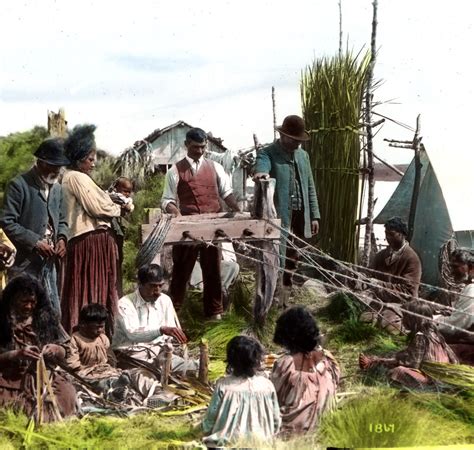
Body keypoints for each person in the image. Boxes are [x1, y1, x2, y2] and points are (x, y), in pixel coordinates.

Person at [161, 127, 241, 320]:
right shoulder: (175, 170)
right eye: (196, 147)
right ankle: (174, 315)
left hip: (212, 229)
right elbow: (166, 200)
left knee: (213, 270)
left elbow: (227, 193)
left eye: (203, 147)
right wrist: (178, 214)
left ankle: (214, 315)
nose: (199, 151)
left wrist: (237, 211)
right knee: (181, 272)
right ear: (186, 145)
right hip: (188, 231)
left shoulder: (216, 168)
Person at [61, 124, 131, 335]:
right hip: (89, 239)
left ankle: (100, 334)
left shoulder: (77, 178)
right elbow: (97, 206)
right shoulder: (76, 177)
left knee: (97, 286)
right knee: (91, 286)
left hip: (93, 240)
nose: (93, 163)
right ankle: (86, 334)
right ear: (79, 158)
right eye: (90, 159)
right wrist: (121, 207)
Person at [0, 138, 70, 314]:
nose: (56, 170)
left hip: (49, 262)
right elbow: (7, 221)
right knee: (23, 310)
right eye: (52, 165)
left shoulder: (57, 189)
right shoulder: (19, 185)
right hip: (25, 262)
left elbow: (62, 220)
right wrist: (35, 243)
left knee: (51, 310)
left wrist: (62, 238)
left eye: (59, 167)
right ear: (40, 162)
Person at [253, 115, 320, 296]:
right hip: (280, 213)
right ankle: (273, 291)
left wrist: (314, 214)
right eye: (294, 140)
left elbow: (310, 185)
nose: (297, 144)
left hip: (300, 213)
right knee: (276, 250)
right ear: (283, 135)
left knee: (294, 252)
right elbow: (262, 165)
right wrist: (261, 173)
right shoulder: (268, 153)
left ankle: (287, 290)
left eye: (299, 140)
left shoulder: (303, 155)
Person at [0, 274, 76, 421]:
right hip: (9, 378)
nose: (29, 306)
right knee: (13, 406)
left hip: (43, 376)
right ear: (12, 300)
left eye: (32, 302)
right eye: (24, 301)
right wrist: (16, 354)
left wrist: (56, 349)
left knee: (67, 396)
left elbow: (65, 350)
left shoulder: (46, 319)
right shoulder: (1, 320)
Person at [66, 304, 159, 401]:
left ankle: (156, 392)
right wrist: (91, 373)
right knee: (101, 384)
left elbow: (111, 360)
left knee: (136, 374)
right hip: (88, 375)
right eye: (97, 327)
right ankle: (115, 391)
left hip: (107, 371)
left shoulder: (103, 338)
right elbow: (74, 367)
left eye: (102, 327)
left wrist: (112, 370)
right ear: (83, 324)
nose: (100, 330)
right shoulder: (75, 339)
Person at [270, 306, 340, 436]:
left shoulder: (285, 363)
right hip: (323, 427)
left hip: (291, 432)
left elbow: (272, 398)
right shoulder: (328, 360)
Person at [113, 264, 195, 373]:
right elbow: (132, 334)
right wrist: (161, 330)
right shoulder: (125, 304)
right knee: (153, 374)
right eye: (152, 286)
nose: (157, 291)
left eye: (160, 286)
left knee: (195, 367)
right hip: (131, 355)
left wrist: (172, 340)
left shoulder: (165, 301)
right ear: (140, 284)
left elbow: (170, 333)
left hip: (159, 353)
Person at [202, 335, 281, 448]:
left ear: (231, 360)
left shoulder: (224, 386)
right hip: (260, 445)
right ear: (257, 360)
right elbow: (276, 420)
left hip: (227, 445)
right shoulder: (267, 385)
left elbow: (210, 420)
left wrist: (202, 431)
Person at [359, 300, 458, 389]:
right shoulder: (435, 333)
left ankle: (372, 364)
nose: (403, 320)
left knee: (398, 371)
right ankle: (373, 362)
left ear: (413, 319)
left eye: (405, 317)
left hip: (433, 379)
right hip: (444, 375)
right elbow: (453, 358)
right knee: (398, 356)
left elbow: (413, 364)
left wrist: (381, 360)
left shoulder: (420, 337)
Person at [360, 217, 423, 333]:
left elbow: (408, 292)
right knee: (364, 320)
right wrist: (359, 278)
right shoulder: (381, 255)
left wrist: (379, 284)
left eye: (391, 234)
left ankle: (409, 328)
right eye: (386, 234)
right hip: (381, 299)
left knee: (387, 324)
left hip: (403, 304)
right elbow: (368, 275)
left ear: (402, 234)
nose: (387, 238)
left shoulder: (412, 258)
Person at [436, 248, 474, 364]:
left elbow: (455, 326)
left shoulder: (471, 290)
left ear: (471, 267)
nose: (452, 272)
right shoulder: (469, 288)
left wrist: (431, 322)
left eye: (456, 267)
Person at [108, 177, 135, 296]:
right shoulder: (113, 196)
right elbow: (127, 204)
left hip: (118, 230)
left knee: (118, 258)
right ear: (117, 188)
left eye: (129, 191)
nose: (127, 194)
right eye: (125, 190)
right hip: (112, 229)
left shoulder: (124, 198)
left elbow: (130, 206)